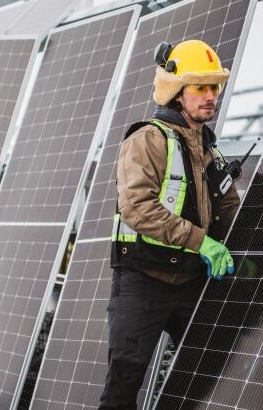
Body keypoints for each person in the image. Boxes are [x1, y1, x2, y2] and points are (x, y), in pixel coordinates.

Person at [99, 40, 241, 410]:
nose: (211, 96)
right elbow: (137, 208)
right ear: (177, 92)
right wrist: (202, 242)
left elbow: (229, 207)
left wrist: (238, 246)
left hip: (190, 282)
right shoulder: (147, 139)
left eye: (215, 87)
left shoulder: (209, 149)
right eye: (200, 87)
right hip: (142, 283)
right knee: (122, 388)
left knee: (205, 375)